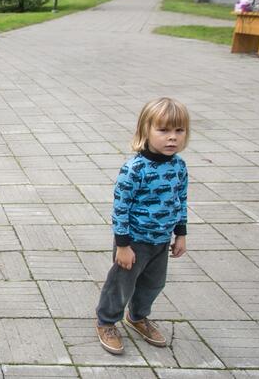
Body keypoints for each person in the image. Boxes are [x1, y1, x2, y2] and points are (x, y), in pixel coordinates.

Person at [95, 97, 189, 355]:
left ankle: (137, 317)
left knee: (154, 283)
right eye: (164, 130)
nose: (172, 138)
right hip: (134, 240)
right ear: (145, 131)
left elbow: (181, 200)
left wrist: (180, 233)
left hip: (161, 240)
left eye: (179, 131)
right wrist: (123, 246)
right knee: (121, 284)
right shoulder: (135, 169)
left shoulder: (179, 166)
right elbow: (120, 208)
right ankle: (106, 321)